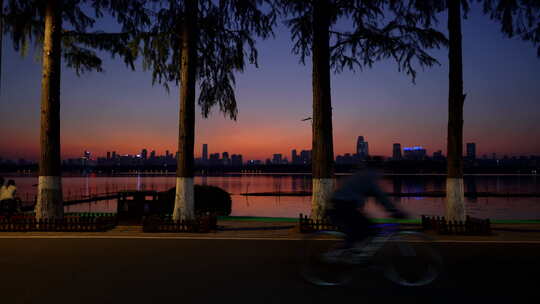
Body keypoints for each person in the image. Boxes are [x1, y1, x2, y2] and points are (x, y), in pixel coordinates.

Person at [323, 168, 407, 263]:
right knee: (367, 230)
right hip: (345, 207)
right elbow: (381, 196)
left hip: (341, 205)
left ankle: (355, 252)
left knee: (363, 230)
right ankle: (345, 256)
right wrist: (395, 211)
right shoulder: (370, 177)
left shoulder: (361, 175)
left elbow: (378, 196)